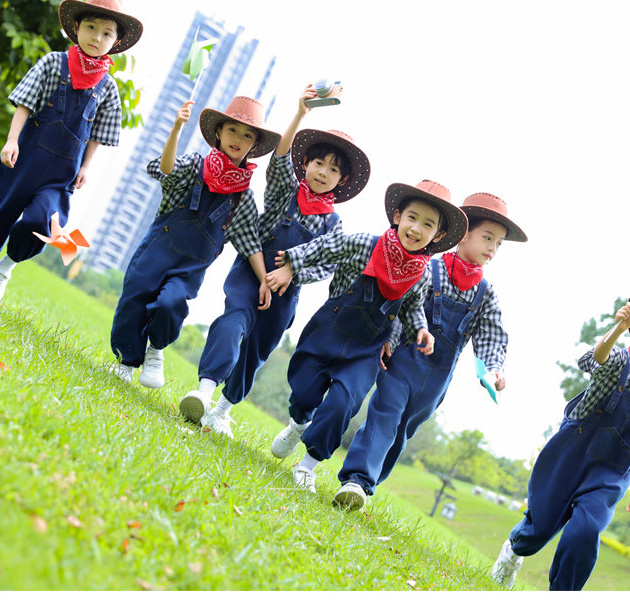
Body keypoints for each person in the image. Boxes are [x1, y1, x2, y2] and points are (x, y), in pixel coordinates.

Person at [178, 85, 371, 436]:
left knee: (257, 349)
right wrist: (300, 114)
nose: (323, 172)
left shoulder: (333, 224)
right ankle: (204, 393)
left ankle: (222, 410)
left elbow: (327, 265)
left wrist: (290, 272)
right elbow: (280, 158)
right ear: (306, 163)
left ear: (341, 180)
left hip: (285, 294)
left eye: (332, 170)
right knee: (233, 323)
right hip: (248, 275)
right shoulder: (286, 190)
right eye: (318, 163)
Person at [491, 290, 630, 591]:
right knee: (539, 527)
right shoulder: (619, 357)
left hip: (611, 470)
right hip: (571, 451)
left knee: (586, 530)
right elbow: (594, 358)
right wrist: (617, 329)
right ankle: (513, 552)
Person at [265, 180, 468, 494]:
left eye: (428, 225)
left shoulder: (422, 274)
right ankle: (298, 423)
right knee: (303, 392)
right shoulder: (365, 244)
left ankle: (308, 465)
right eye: (412, 217)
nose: (416, 228)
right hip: (329, 330)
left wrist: (420, 329)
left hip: (367, 350)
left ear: (438, 235)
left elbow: (412, 307)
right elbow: (325, 247)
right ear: (398, 216)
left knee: (343, 404)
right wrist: (291, 264)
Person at [334, 192, 528, 510]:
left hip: (436, 381)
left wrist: (494, 369)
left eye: (498, 243)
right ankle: (356, 480)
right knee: (385, 416)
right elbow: (402, 306)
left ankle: (368, 486)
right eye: (487, 238)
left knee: (402, 432)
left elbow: (492, 336)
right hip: (402, 362)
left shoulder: (485, 294)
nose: (492, 248)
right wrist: (389, 339)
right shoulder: (428, 269)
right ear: (463, 234)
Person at [0, 0, 143, 301]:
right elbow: (24, 103)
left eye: (106, 33)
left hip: (61, 175)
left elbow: (98, 134)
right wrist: (11, 140)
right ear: (76, 27)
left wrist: (86, 167)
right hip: (23, 160)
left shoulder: (108, 88)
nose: (96, 37)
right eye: (91, 27)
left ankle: (6, 267)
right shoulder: (53, 63)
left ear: (115, 42)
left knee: (43, 223)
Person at [108, 95, 280, 389]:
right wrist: (176, 129)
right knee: (133, 300)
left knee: (170, 303)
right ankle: (126, 361)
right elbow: (166, 170)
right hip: (156, 250)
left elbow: (250, 243)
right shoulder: (195, 164)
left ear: (254, 145)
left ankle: (156, 349)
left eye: (247, 135)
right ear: (218, 132)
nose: (238, 139)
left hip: (190, 268)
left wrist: (264, 279)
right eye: (232, 130)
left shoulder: (244, 198)